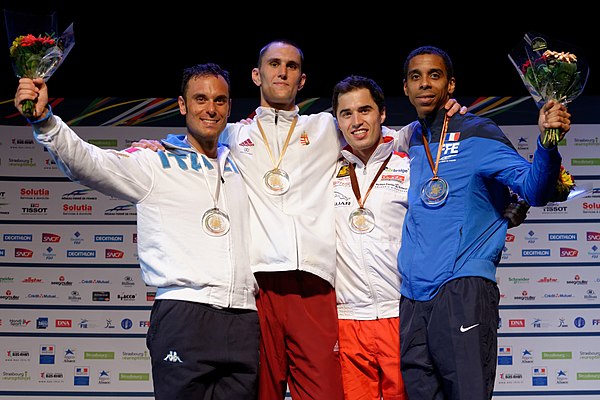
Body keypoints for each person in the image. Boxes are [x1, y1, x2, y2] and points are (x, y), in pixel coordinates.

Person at [13, 63, 260, 400]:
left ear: (229, 107)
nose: (211, 109)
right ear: (182, 105)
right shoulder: (154, 163)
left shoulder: (246, 164)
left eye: (220, 100)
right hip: (184, 314)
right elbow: (90, 164)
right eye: (200, 99)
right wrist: (45, 122)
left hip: (246, 318)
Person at [398, 46, 570, 400]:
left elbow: (533, 189)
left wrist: (547, 144)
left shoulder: (478, 132)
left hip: (462, 289)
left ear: (451, 84)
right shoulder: (407, 139)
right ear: (405, 88)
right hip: (412, 299)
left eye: (435, 75)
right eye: (416, 77)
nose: (425, 84)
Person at [331, 75, 408, 400]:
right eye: (346, 113)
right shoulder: (327, 167)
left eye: (365, 110)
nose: (356, 121)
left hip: (401, 313)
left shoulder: (409, 164)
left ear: (382, 114)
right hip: (348, 320)